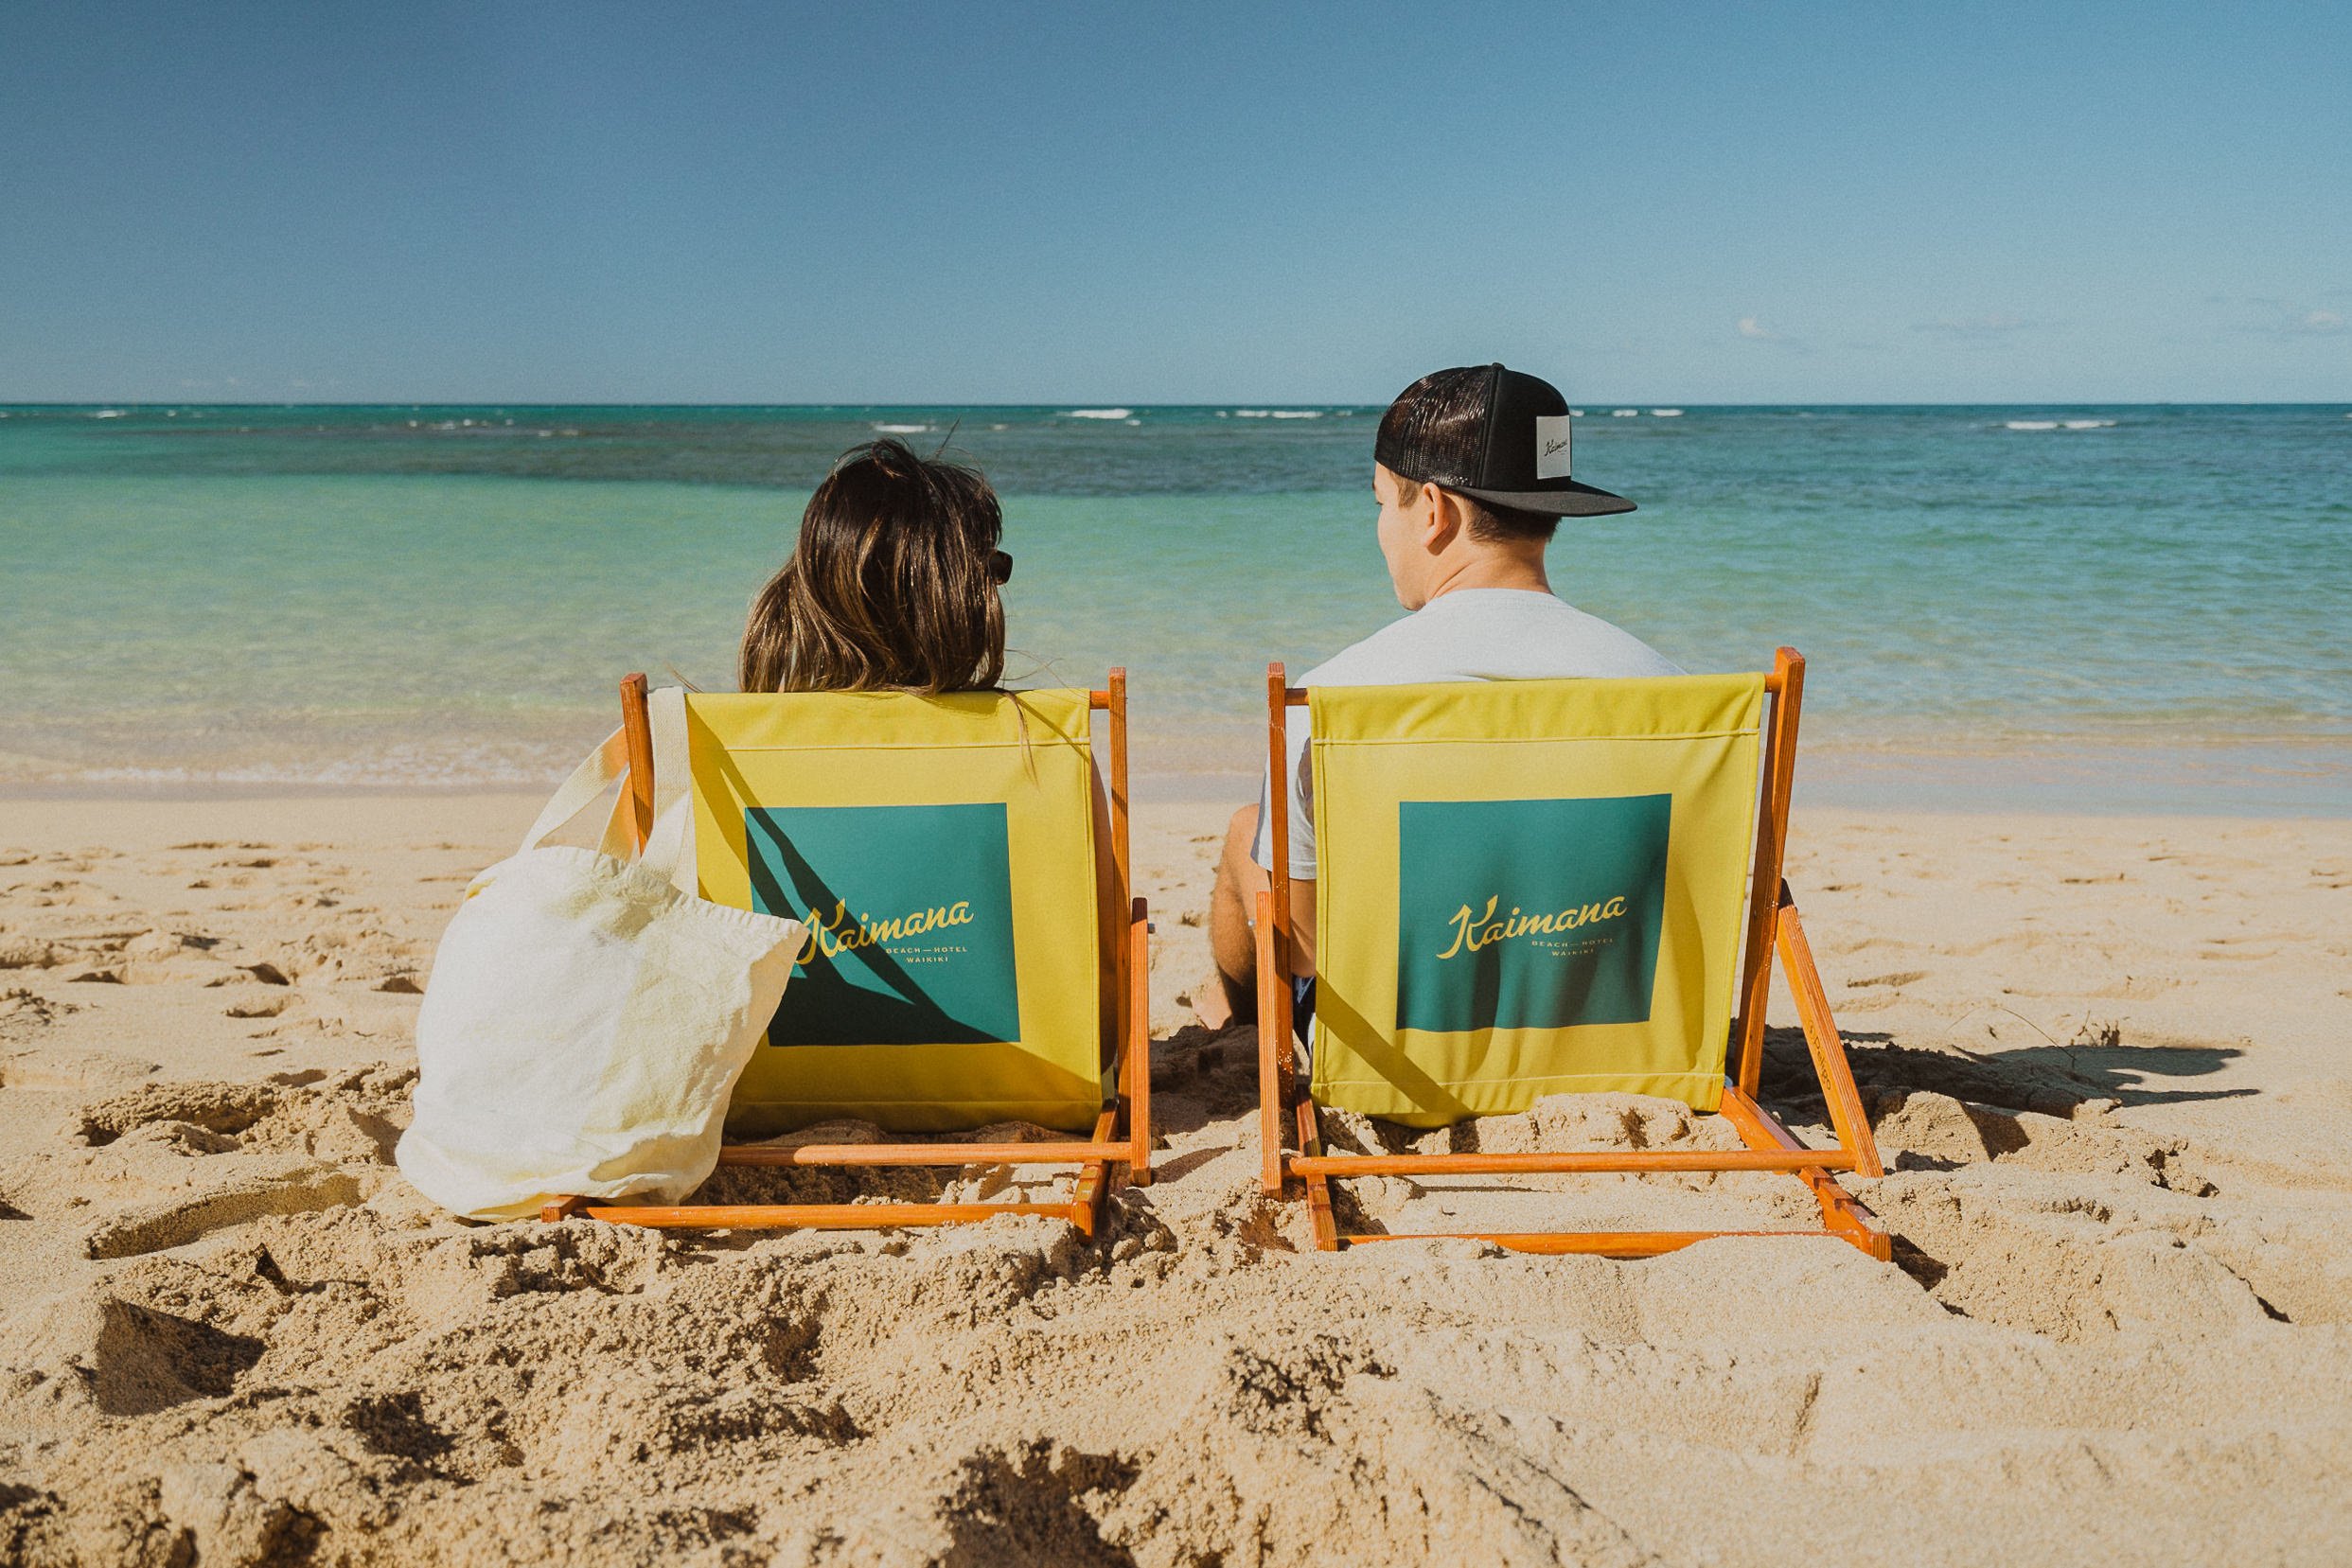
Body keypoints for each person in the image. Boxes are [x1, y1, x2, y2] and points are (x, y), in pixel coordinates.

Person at [1199, 363, 1683, 1032]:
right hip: (1611, 1022)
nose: (1379, 527)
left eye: (1379, 502)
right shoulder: (1669, 692)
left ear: (1432, 511)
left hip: (1409, 1040)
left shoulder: (1335, 698)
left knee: (1245, 832)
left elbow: (1305, 944)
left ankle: (1232, 1014)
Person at [739, 437, 1123, 1034]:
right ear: (959, 602)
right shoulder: (1038, 750)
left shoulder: (742, 752)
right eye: (990, 570)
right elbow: (1103, 989)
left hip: (786, 1077)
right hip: (1017, 1077)